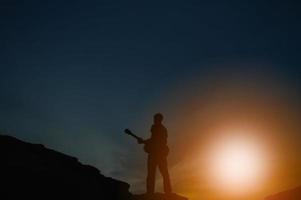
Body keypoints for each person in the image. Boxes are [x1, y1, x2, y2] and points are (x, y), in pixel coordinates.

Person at [138, 113, 172, 194]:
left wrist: (145, 142)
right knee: (151, 174)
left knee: (164, 173)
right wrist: (144, 141)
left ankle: (168, 192)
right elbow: (153, 139)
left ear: (159, 120)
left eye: (155, 119)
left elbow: (160, 141)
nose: (154, 121)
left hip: (159, 155)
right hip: (154, 154)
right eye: (154, 119)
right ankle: (150, 192)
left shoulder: (162, 129)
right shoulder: (154, 128)